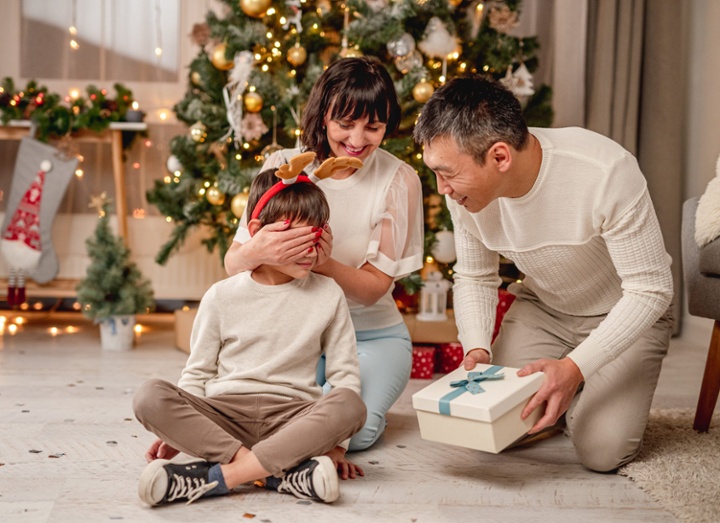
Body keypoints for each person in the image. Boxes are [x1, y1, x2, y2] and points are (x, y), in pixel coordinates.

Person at [412, 74, 674, 473]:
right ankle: (575, 382)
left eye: (447, 173)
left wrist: (574, 368)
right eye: (434, 172)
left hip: (624, 309)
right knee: (489, 428)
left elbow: (651, 290)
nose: (441, 188)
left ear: (500, 157)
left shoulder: (604, 171)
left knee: (600, 452)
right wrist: (477, 348)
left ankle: (583, 382)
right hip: (546, 308)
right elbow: (475, 276)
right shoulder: (462, 192)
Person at [133, 162, 367, 507]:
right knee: (149, 395)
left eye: (315, 238)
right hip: (224, 414)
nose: (307, 251)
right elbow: (197, 374)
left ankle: (219, 477)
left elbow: (344, 375)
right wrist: (184, 432)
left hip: (291, 418)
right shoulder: (222, 295)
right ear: (257, 231)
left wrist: (336, 447)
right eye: (294, 238)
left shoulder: (328, 293)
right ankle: (281, 474)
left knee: (350, 404)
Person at [224, 56, 424, 451]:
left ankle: (346, 410)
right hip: (294, 333)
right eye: (345, 124)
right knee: (269, 418)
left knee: (352, 433)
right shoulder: (284, 166)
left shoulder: (400, 180)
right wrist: (257, 250)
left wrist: (323, 263)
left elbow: (372, 290)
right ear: (323, 116)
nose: (358, 139)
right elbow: (233, 265)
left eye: (374, 126)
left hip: (369, 336)